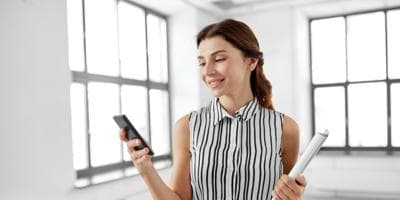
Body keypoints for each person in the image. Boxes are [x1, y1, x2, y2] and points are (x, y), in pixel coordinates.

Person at [119, 18, 307, 200]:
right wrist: (145, 169)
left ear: (251, 61)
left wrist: (293, 197)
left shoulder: (285, 129)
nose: (207, 71)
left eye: (218, 59)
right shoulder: (187, 127)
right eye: (202, 62)